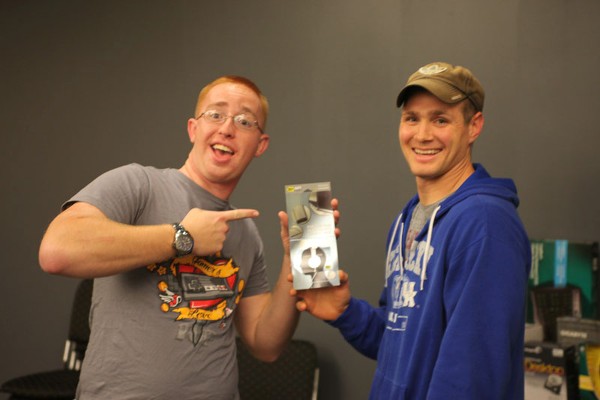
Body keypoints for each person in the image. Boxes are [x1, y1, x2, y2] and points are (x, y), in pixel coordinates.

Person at [39, 75, 301, 399]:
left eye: (245, 121)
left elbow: (265, 345)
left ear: (260, 144)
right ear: (193, 128)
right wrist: (183, 237)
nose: (227, 128)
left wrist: (295, 265)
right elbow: (57, 250)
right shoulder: (139, 185)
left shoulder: (245, 231)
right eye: (215, 114)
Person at [291, 62, 531, 399]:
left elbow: (472, 377)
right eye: (412, 118)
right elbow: (402, 343)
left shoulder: (486, 223)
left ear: (474, 126)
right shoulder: (408, 219)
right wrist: (345, 312)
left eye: (440, 119)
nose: (422, 135)